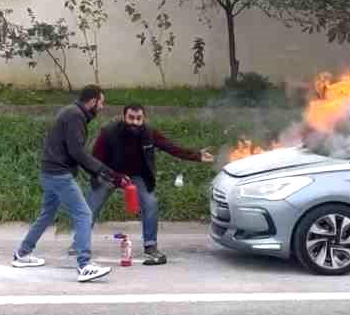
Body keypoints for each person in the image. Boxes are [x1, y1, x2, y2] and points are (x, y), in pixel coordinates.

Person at [12, 85, 120, 283]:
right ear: (93, 101)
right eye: (102, 103)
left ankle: (23, 253)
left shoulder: (72, 112)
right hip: (59, 175)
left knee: (47, 215)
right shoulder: (75, 116)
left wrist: (96, 171)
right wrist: (103, 170)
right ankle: (84, 265)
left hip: (50, 172)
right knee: (84, 213)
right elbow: (76, 151)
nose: (103, 107)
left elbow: (74, 151)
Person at [85, 103, 214, 265]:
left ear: (143, 119)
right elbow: (95, 159)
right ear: (124, 117)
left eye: (139, 118)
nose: (135, 122)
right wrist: (111, 177)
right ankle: (80, 243)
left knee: (151, 203)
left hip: (138, 176)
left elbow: (171, 147)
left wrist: (197, 156)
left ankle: (150, 246)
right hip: (111, 174)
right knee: (90, 206)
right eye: (131, 118)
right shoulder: (109, 132)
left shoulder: (149, 133)